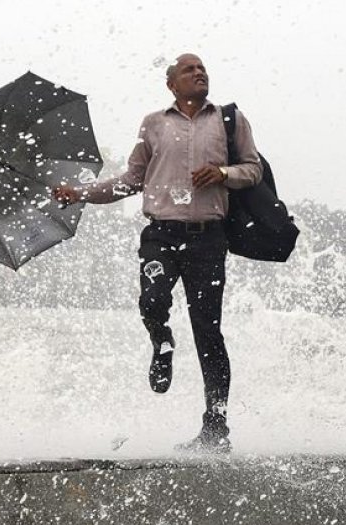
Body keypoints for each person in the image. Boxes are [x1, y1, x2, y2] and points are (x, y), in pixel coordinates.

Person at [54, 53, 262, 453]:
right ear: (172, 84)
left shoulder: (229, 120)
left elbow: (252, 170)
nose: (199, 73)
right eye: (189, 70)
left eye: (203, 68)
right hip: (160, 236)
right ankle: (161, 341)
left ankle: (215, 427)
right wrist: (79, 193)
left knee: (208, 332)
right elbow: (132, 180)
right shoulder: (153, 124)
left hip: (208, 239)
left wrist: (223, 174)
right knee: (152, 302)